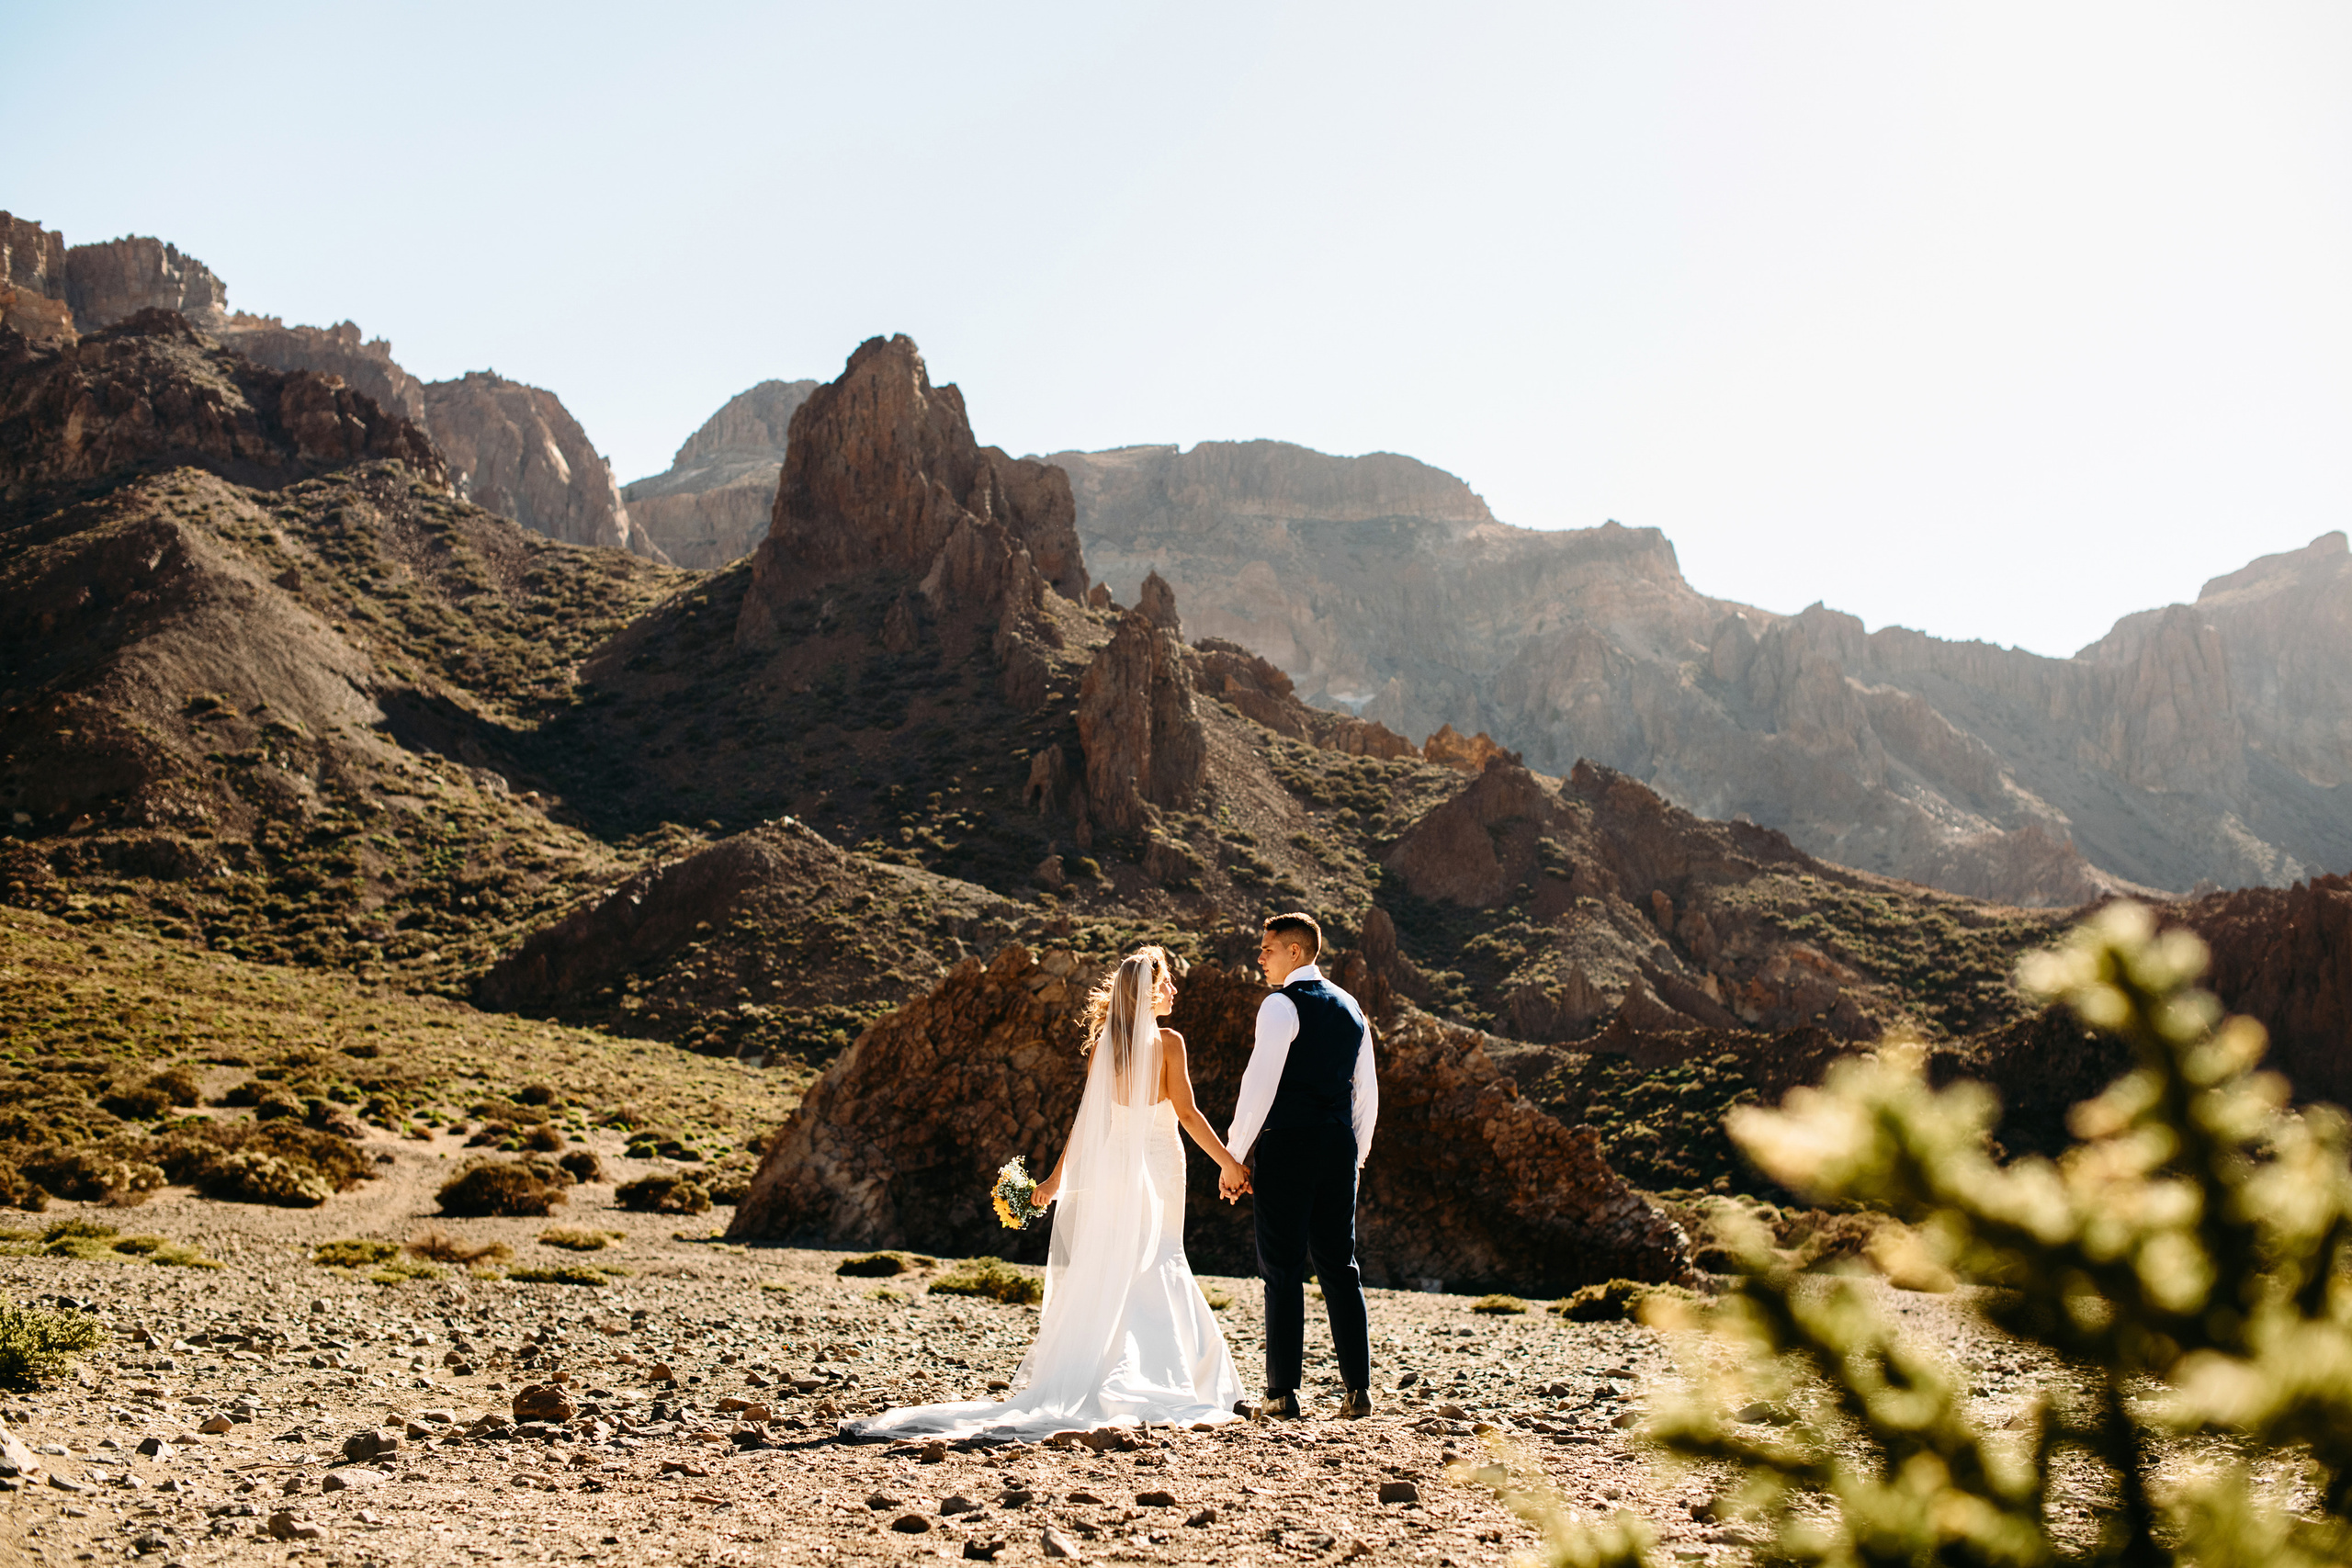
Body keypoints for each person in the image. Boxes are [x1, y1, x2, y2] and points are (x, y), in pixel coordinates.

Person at [840, 946, 1250, 1442]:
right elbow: (1186, 1115)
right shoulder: (1169, 1043)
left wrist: (1057, 1180)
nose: (1173, 990)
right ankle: (1177, 1380)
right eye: (1166, 983)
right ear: (1147, 993)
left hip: (1113, 1169)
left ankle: (1108, 1374)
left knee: (1118, 1263)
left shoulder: (1105, 1049)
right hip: (1159, 1166)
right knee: (1159, 1258)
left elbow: (1088, 1124)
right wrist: (1228, 1162)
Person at [1221, 911, 1377, 1419]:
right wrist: (1355, 1159)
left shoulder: (1280, 1005)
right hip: (1339, 1146)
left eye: (1267, 949)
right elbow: (1366, 1094)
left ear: (1295, 952)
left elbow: (1258, 1085)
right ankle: (1358, 1391)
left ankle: (1283, 1394)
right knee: (1340, 1267)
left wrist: (1234, 1156)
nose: (1260, 958)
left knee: (1282, 1268)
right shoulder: (1352, 1007)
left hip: (1288, 1145)